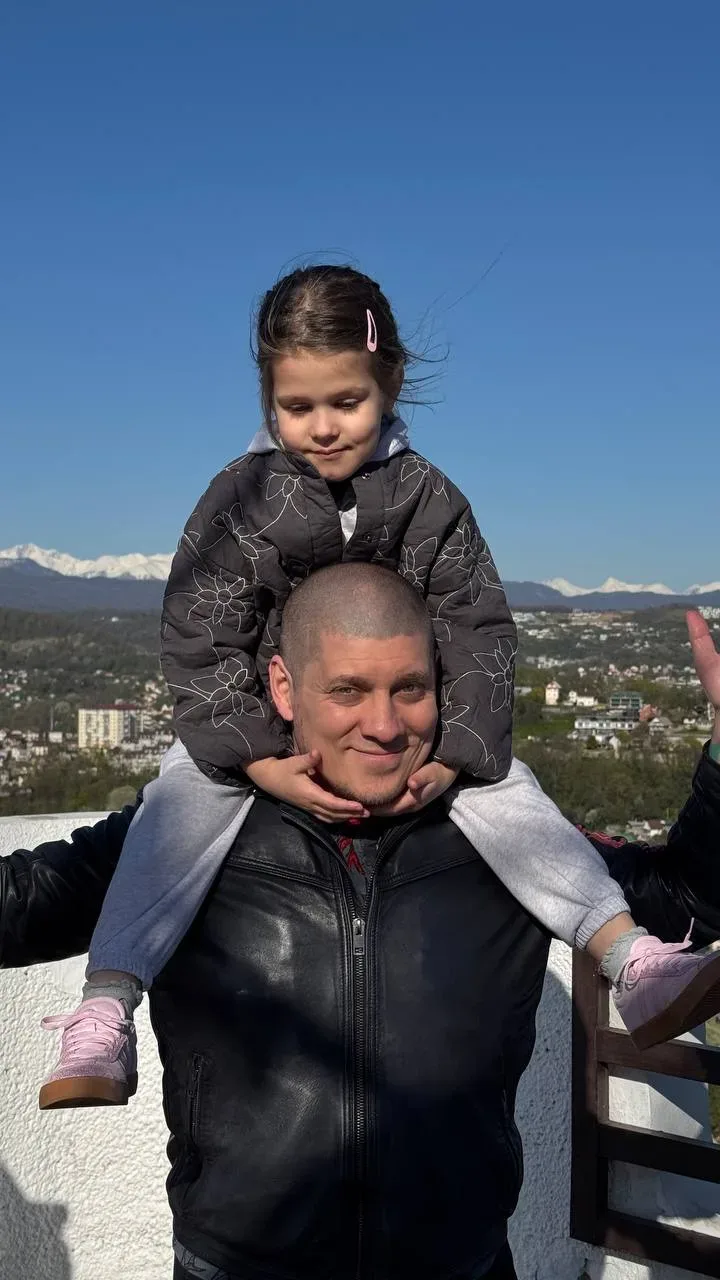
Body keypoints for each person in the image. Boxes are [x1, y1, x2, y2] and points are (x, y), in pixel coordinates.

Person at [35, 266, 720, 1111]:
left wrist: (457, 756)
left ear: (389, 381)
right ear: (267, 397)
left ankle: (631, 961)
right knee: (172, 815)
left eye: (347, 401)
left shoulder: (428, 499)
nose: (323, 428)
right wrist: (255, 758)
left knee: (513, 797)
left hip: (435, 768)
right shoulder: (239, 500)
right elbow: (200, 634)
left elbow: (476, 629)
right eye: (297, 407)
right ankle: (106, 1008)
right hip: (247, 740)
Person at [2, 564, 720, 1280]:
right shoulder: (186, 840)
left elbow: (684, 899)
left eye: (409, 688)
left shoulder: (511, 840)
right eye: (347, 690)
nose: (384, 726)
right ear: (284, 688)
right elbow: (20, 906)